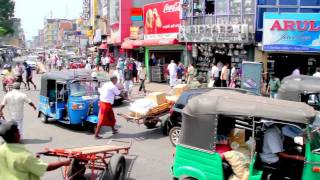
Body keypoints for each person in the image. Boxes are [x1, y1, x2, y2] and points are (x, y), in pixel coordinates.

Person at [0, 121, 71, 180]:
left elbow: (19, 165)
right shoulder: (24, 156)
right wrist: (63, 162)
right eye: (18, 130)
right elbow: (46, 167)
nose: (20, 132)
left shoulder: (1, 149)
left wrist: (34, 159)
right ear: (16, 134)